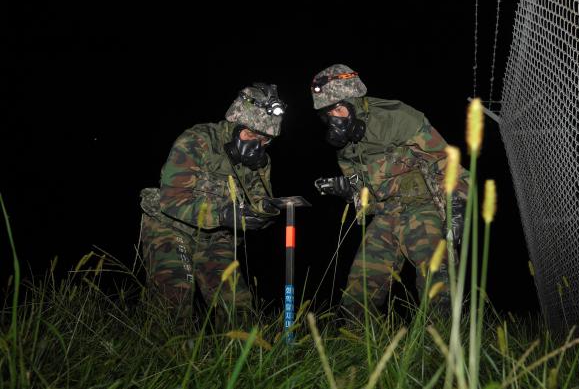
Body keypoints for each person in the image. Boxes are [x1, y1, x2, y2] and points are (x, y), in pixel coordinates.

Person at [311, 64, 468, 317]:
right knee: (360, 287)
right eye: (328, 115)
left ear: (354, 102)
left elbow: (443, 159)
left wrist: (457, 203)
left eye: (339, 109)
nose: (335, 120)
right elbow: (365, 188)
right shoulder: (345, 146)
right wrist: (348, 189)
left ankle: (445, 347)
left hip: (422, 205)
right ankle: (357, 348)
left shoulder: (396, 116)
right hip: (386, 214)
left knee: (438, 283)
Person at [139, 83, 285, 319]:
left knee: (238, 307)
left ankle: (236, 355)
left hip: (216, 236)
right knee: (173, 301)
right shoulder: (198, 140)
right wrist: (224, 215)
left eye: (264, 139)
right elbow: (171, 199)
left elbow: (260, 202)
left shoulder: (258, 160)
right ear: (234, 125)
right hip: (170, 225)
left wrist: (265, 213)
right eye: (250, 135)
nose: (256, 146)